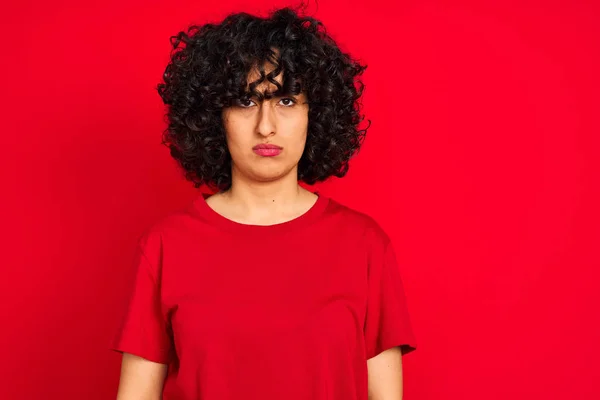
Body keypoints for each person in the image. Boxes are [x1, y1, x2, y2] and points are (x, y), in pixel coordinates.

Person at [111, 5, 417, 400]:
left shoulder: (365, 245)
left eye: (287, 101)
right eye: (245, 101)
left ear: (316, 113)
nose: (266, 125)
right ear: (214, 117)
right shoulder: (165, 245)